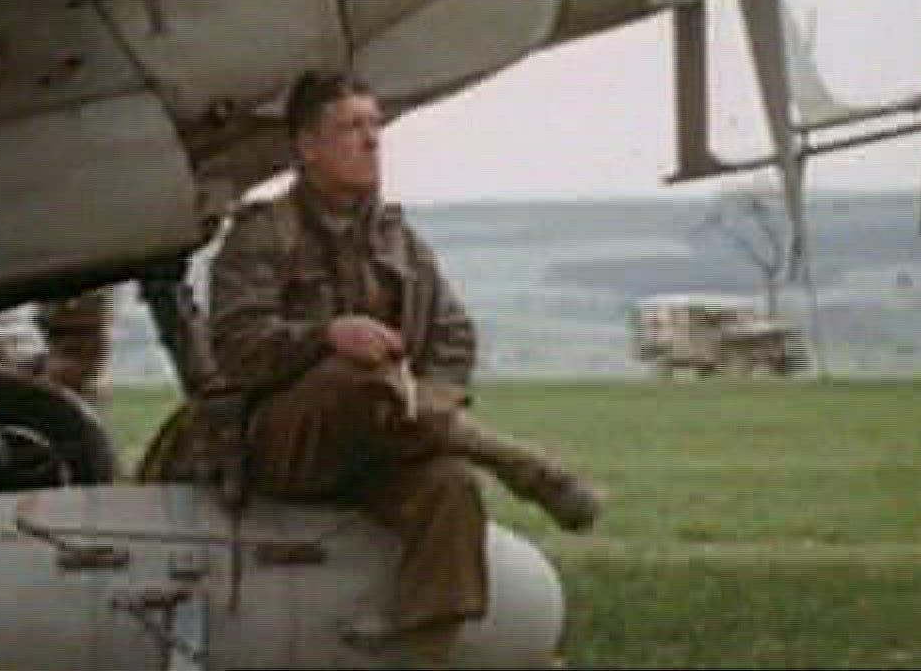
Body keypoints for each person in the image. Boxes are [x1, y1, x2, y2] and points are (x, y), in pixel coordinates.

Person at [137, 70, 602, 667]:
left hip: (380, 442)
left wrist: (434, 395)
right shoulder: (261, 235)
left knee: (452, 487)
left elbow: (454, 335)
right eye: (351, 127)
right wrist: (326, 336)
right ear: (308, 147)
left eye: (374, 125)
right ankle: (524, 466)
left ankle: (424, 650)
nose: (371, 140)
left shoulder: (398, 241)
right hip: (280, 446)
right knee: (353, 376)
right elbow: (238, 349)